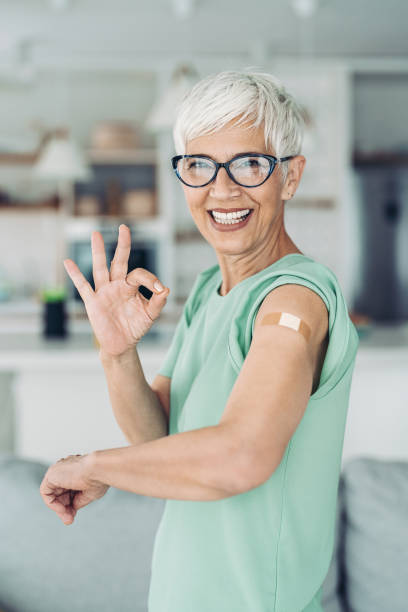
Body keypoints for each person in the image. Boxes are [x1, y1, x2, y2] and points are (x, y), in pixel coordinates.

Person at [39, 70, 360, 612]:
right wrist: (118, 354)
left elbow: (242, 456)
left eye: (250, 164)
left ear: (291, 176)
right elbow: (157, 440)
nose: (222, 189)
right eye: (199, 166)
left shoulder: (294, 300)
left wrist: (93, 465)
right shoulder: (213, 290)